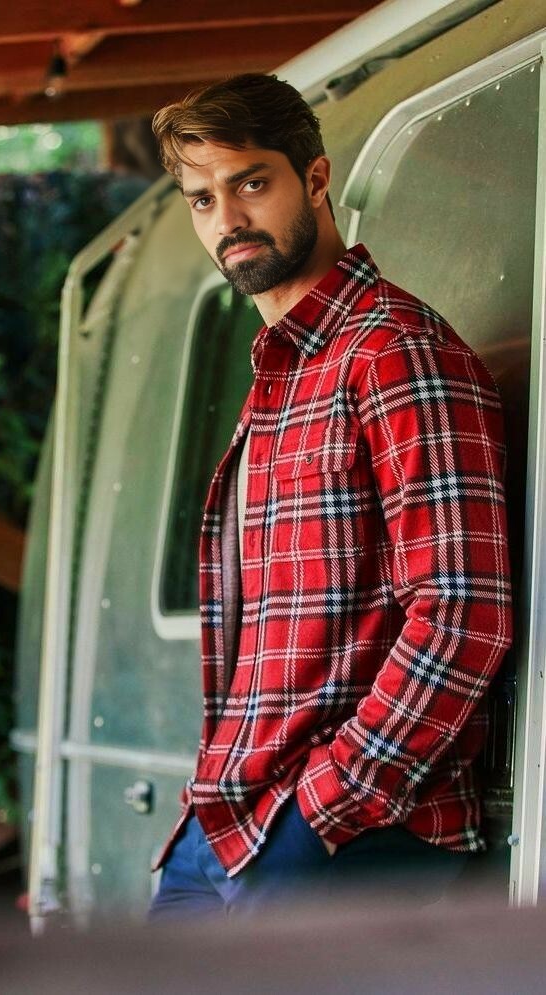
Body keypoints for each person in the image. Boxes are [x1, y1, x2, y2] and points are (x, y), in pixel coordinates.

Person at [148, 73, 512, 920]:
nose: (227, 219)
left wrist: (330, 803)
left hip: (342, 835)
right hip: (228, 818)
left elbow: (464, 610)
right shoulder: (281, 372)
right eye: (202, 199)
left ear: (314, 178)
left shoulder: (392, 352)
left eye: (250, 183)